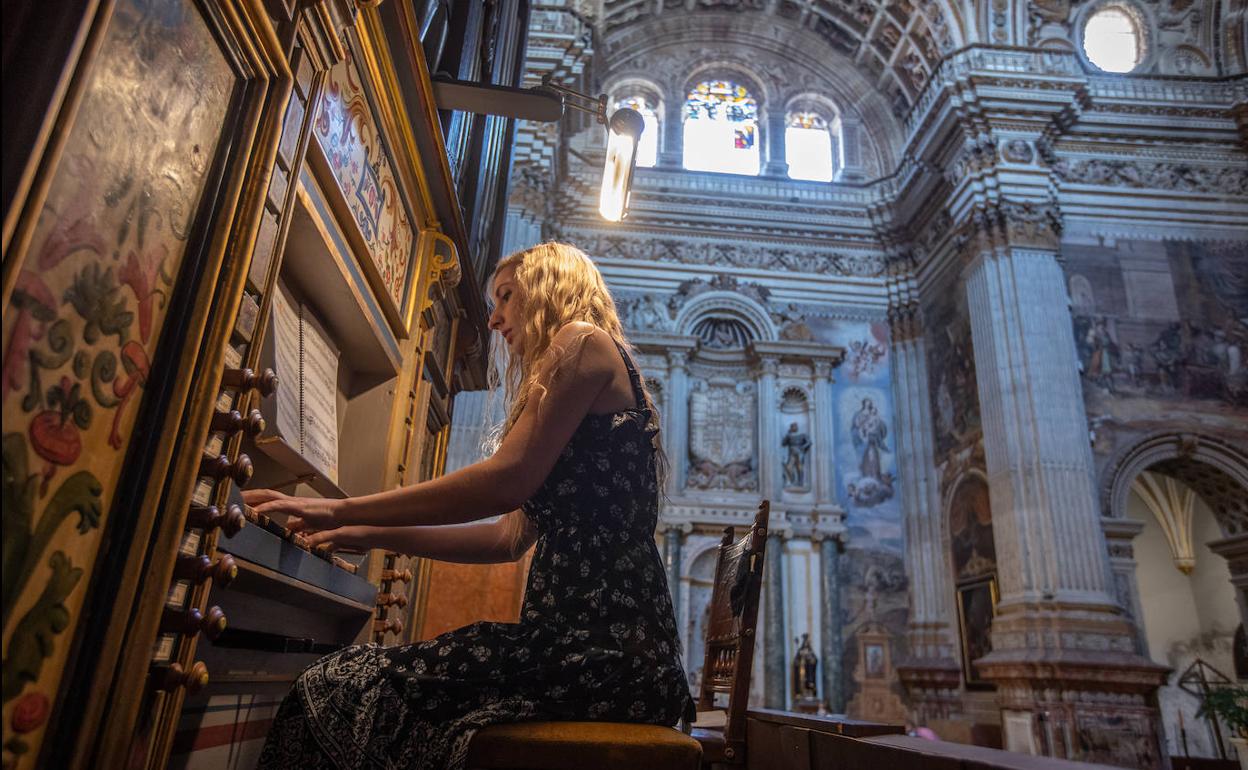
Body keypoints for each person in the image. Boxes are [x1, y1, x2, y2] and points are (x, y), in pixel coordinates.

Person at [249, 242, 694, 770]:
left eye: (506, 296)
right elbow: (504, 540)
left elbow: (504, 481)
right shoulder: (587, 363)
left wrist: (342, 510)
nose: (495, 318)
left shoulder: (583, 343)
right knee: (366, 692)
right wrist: (372, 532)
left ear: (550, 286)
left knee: (335, 686)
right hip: (589, 649)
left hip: (603, 653)